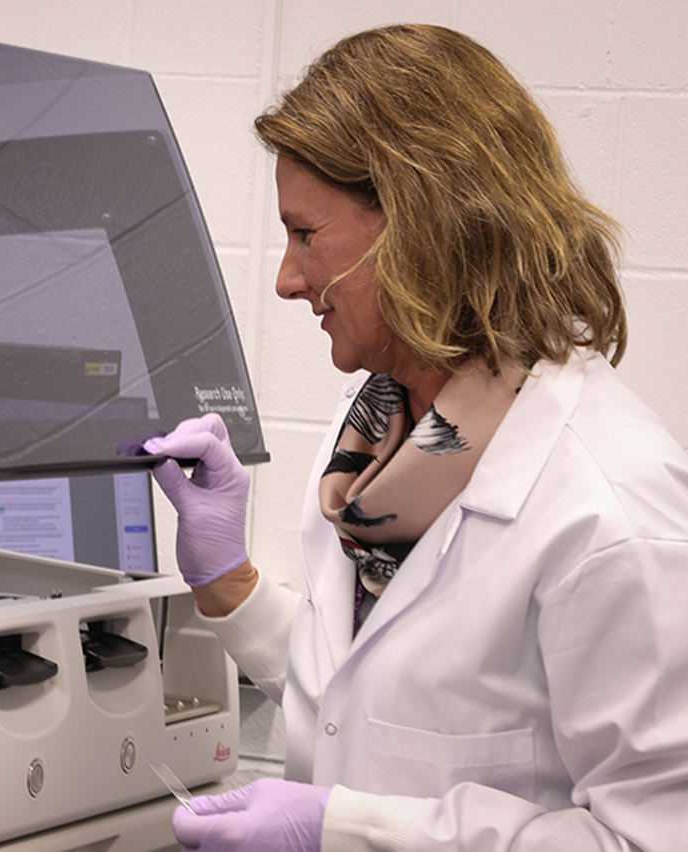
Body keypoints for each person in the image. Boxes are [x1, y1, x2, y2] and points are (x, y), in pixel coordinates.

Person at [144, 24, 688, 852]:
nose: (288, 280)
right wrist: (231, 586)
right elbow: (370, 701)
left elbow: (653, 839)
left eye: (305, 234)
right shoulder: (380, 428)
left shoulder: (607, 507)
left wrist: (350, 830)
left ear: (419, 226)